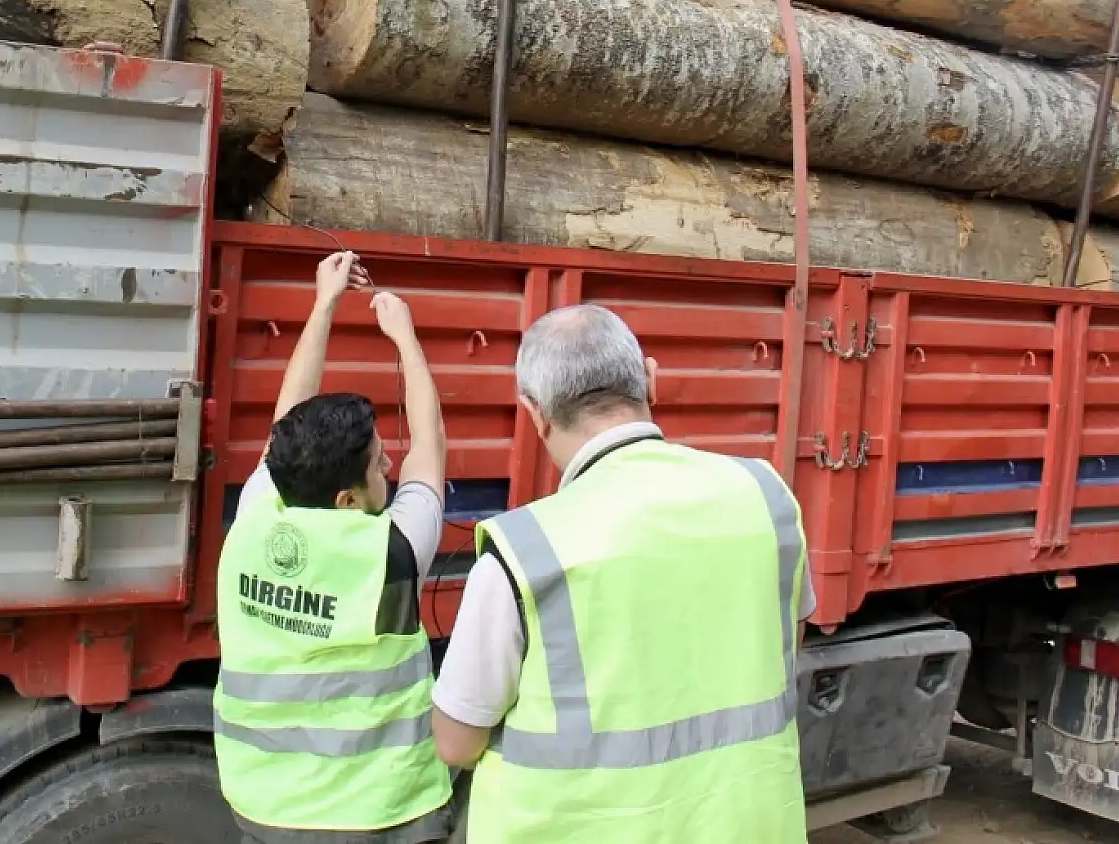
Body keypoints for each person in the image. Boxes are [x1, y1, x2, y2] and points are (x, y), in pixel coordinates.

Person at [430, 303, 812, 843]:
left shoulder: (526, 550)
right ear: (651, 379)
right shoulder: (766, 498)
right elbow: (783, 648)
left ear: (534, 413)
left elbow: (455, 743)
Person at [214, 251, 455, 843]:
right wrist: (405, 336)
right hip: (380, 813)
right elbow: (431, 444)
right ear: (347, 500)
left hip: (263, 803)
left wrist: (323, 303)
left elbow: (286, 421)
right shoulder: (394, 554)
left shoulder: (257, 513)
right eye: (378, 463)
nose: (390, 462)